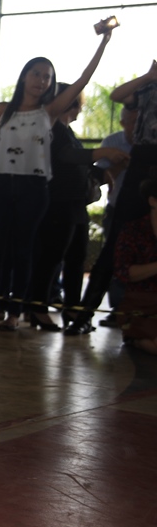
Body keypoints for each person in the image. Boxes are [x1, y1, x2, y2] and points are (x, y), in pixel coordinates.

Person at [0, 28, 111, 331]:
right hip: (0, 183)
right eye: (36, 74)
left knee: (23, 249)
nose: (41, 80)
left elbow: (83, 80)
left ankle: (15, 313)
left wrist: (104, 42)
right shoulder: (1, 111)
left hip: (33, 187)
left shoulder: (49, 112)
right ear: (24, 77)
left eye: (47, 77)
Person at [25, 85, 129, 330]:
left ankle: (72, 307)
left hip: (75, 204)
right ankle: (38, 308)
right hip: (59, 203)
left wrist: (102, 172)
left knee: (76, 258)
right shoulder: (54, 130)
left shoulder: (66, 131)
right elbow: (66, 157)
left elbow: (77, 164)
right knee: (52, 258)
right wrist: (102, 153)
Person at [67, 60, 157, 335]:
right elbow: (117, 95)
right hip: (143, 162)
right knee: (114, 243)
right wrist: (148, 76)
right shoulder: (149, 88)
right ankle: (84, 315)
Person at [97, 107, 136, 325]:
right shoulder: (112, 143)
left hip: (146, 210)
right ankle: (117, 309)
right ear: (122, 123)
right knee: (114, 258)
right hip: (117, 208)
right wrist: (119, 165)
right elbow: (100, 177)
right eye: (131, 122)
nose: (135, 127)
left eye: (139, 122)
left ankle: (138, 309)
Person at [113, 178, 157, 352]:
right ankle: (137, 339)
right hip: (139, 304)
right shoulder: (133, 230)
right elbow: (124, 272)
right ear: (152, 201)